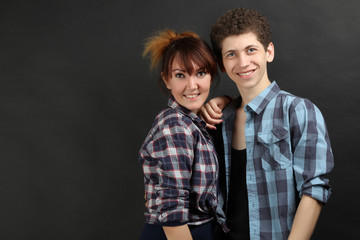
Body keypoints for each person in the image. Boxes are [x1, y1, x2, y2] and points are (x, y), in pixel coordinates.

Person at [200, 8, 334, 239]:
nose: (243, 62)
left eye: (251, 50)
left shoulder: (299, 111)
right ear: (222, 64)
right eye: (231, 54)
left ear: (268, 52)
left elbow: (314, 189)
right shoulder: (220, 118)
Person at [138, 29, 227, 240]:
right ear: (167, 80)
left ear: (211, 75)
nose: (192, 85)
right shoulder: (175, 126)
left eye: (200, 73)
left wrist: (223, 100)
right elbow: (173, 213)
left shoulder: (193, 124)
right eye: (180, 75)